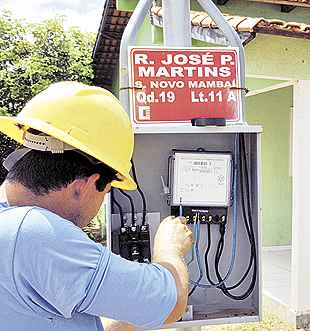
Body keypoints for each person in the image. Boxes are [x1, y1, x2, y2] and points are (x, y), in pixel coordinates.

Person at [0, 82, 194, 331]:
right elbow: (171, 303)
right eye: (106, 190)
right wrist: (170, 249)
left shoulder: (11, 225)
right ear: (84, 185)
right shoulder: (35, 234)